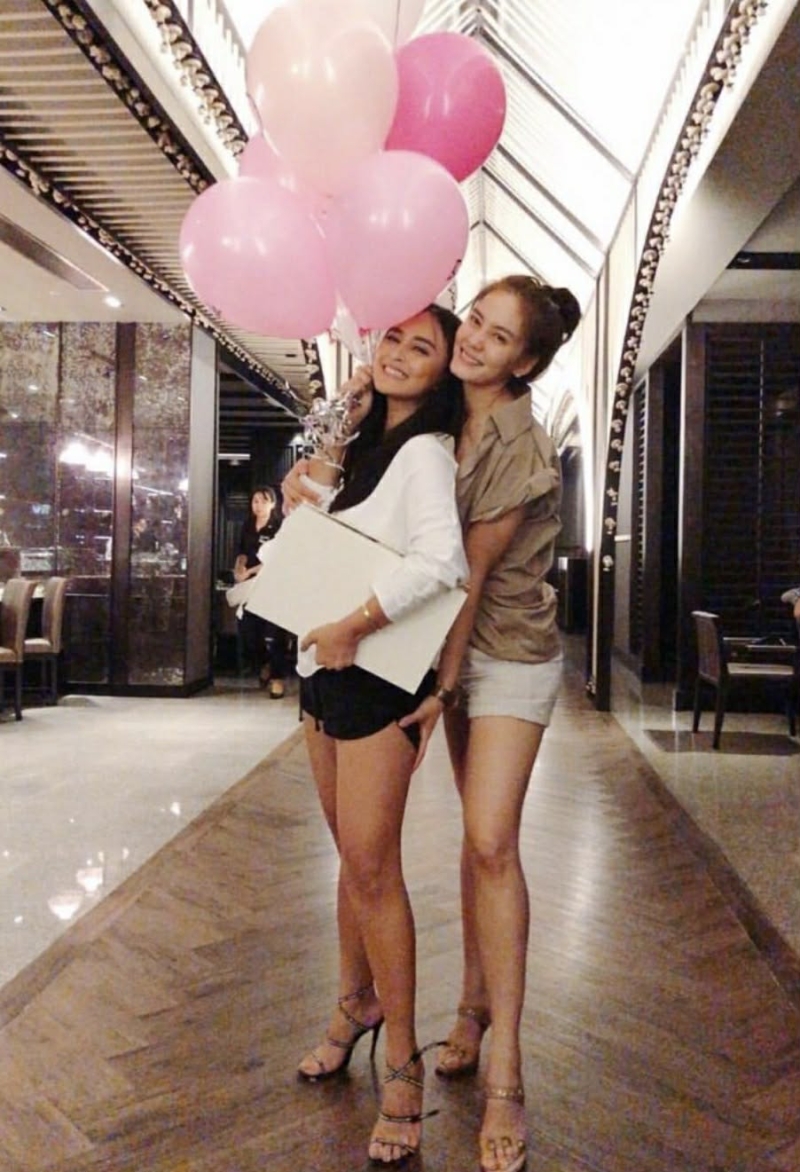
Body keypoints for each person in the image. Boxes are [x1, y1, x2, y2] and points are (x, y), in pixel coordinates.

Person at [284, 274, 581, 1172]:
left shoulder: (519, 445)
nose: (475, 340)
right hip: (419, 642)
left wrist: (442, 687)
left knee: (489, 840)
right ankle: (464, 1009)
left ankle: (506, 1070)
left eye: (498, 336)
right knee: (415, 852)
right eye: (474, 322)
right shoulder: (430, 419)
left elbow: (468, 576)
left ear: (526, 362)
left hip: (502, 649)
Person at [292, 304, 467, 1165]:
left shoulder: (427, 452)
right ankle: (352, 1001)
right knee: (350, 862)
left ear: (443, 371)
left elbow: (443, 563)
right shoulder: (369, 443)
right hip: (322, 667)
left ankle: (402, 1060)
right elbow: (308, 521)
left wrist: (356, 625)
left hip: (372, 674)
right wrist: (343, 421)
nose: (399, 353)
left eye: (420, 347)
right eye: (393, 337)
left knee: (373, 868)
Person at [233, 486, 289, 697]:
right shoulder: (248, 525)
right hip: (250, 587)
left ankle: (277, 678)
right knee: (248, 630)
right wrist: (239, 568)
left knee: (275, 633)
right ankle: (265, 663)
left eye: (263, 501)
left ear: (273, 504)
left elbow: (278, 557)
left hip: (273, 583)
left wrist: (251, 571)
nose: (258, 505)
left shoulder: (279, 526)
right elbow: (242, 552)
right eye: (255, 501)